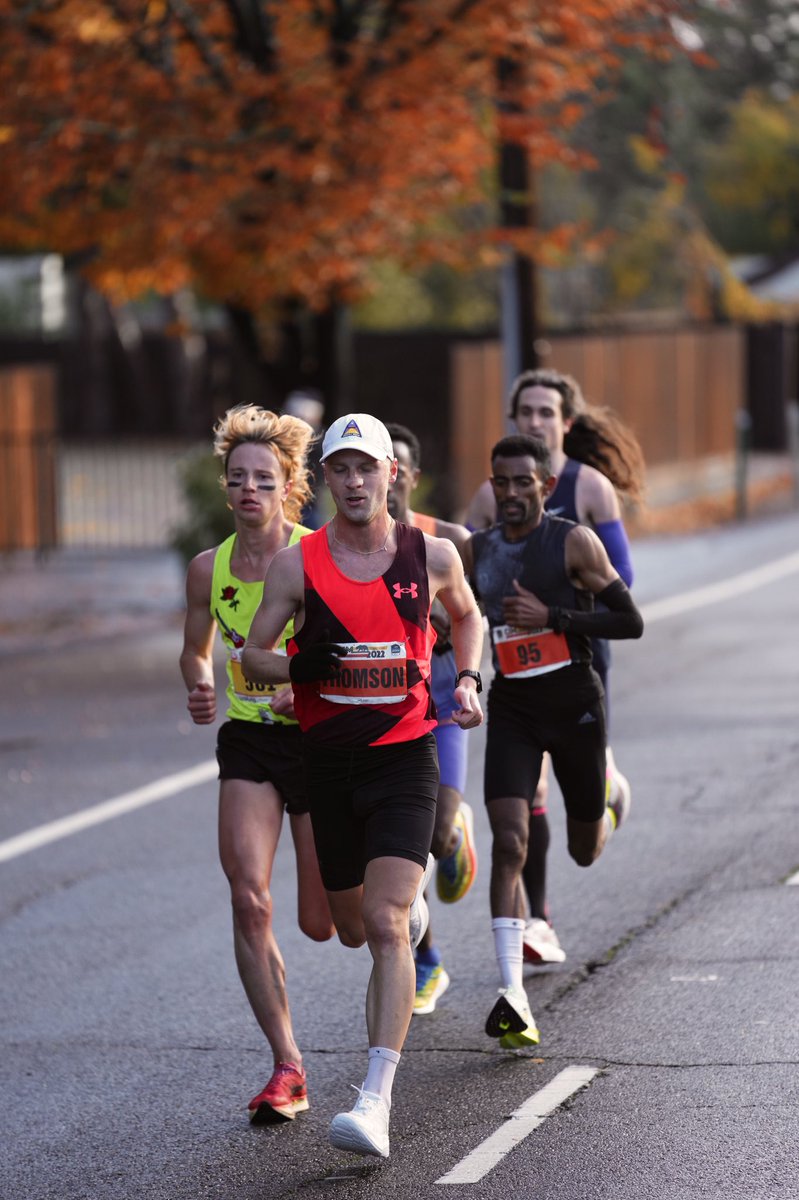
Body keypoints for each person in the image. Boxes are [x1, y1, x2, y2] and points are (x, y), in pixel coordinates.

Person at [241, 413, 484, 1159]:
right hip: (327, 763)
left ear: (391, 473)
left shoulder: (431, 555)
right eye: (341, 469)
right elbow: (252, 657)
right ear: (327, 478)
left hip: (404, 757)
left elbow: (467, 617)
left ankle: (374, 1101)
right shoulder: (297, 565)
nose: (354, 482)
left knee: (383, 923)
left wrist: (468, 680)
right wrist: (300, 667)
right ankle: (405, 914)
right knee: (352, 928)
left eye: (366, 467)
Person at [179, 404, 334, 1127]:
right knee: (249, 899)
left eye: (264, 479)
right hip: (249, 740)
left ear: (289, 486)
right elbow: (194, 648)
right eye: (238, 477)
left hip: (319, 739)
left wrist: (305, 689)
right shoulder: (206, 569)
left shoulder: (318, 555)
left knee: (326, 925)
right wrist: (198, 682)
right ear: (225, 485)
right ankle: (287, 1065)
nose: (249, 490)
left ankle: (409, 909)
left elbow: (347, 645)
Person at [463, 434, 643, 1048]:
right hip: (514, 708)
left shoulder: (573, 542)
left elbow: (629, 620)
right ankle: (512, 991)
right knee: (509, 841)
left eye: (523, 482)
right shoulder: (477, 551)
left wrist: (556, 618)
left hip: (574, 706)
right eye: (501, 482)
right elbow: (451, 616)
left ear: (544, 484)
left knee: (584, 850)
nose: (511, 492)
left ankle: (610, 804)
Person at [385, 423, 477, 1017]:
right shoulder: (341, 549)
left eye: (397, 467)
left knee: (438, 836)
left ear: (412, 477)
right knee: (403, 848)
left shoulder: (449, 542)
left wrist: (463, 666)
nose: (386, 478)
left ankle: (457, 830)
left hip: (440, 706)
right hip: (385, 712)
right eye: (377, 465)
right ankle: (428, 961)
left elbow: (476, 618)